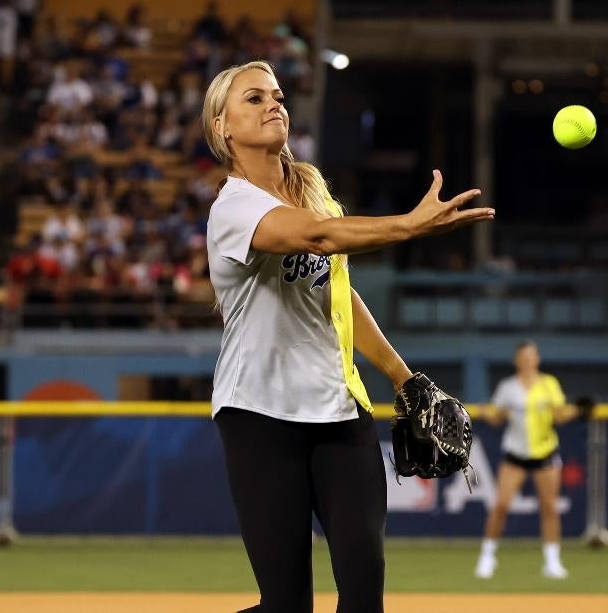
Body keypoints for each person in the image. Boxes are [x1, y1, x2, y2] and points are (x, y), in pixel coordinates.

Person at [202, 60, 493, 613]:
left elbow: (337, 294)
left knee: (363, 587)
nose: (273, 104)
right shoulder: (233, 209)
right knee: (286, 605)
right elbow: (319, 238)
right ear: (222, 126)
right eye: (254, 98)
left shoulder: (311, 192)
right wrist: (410, 225)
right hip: (259, 414)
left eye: (277, 95)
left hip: (339, 411)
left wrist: (402, 377)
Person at [475, 340, 579, 580]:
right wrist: (486, 414)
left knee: (549, 507)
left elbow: (559, 416)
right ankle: (487, 556)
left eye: (531, 356)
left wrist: (578, 410)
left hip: (545, 452)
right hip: (515, 454)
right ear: (517, 360)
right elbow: (498, 418)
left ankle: (552, 561)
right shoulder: (508, 387)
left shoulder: (549, 384)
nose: (527, 360)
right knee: (501, 505)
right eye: (523, 357)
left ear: (537, 359)